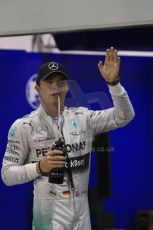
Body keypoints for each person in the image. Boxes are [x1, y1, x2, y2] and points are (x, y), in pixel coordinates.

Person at [1, 47, 135, 230]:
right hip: (48, 213)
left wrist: (114, 84)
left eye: (61, 82)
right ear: (37, 87)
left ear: (68, 86)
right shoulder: (23, 126)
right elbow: (7, 175)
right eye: (49, 82)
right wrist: (39, 167)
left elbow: (124, 116)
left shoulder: (83, 118)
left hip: (82, 211)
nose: (56, 87)